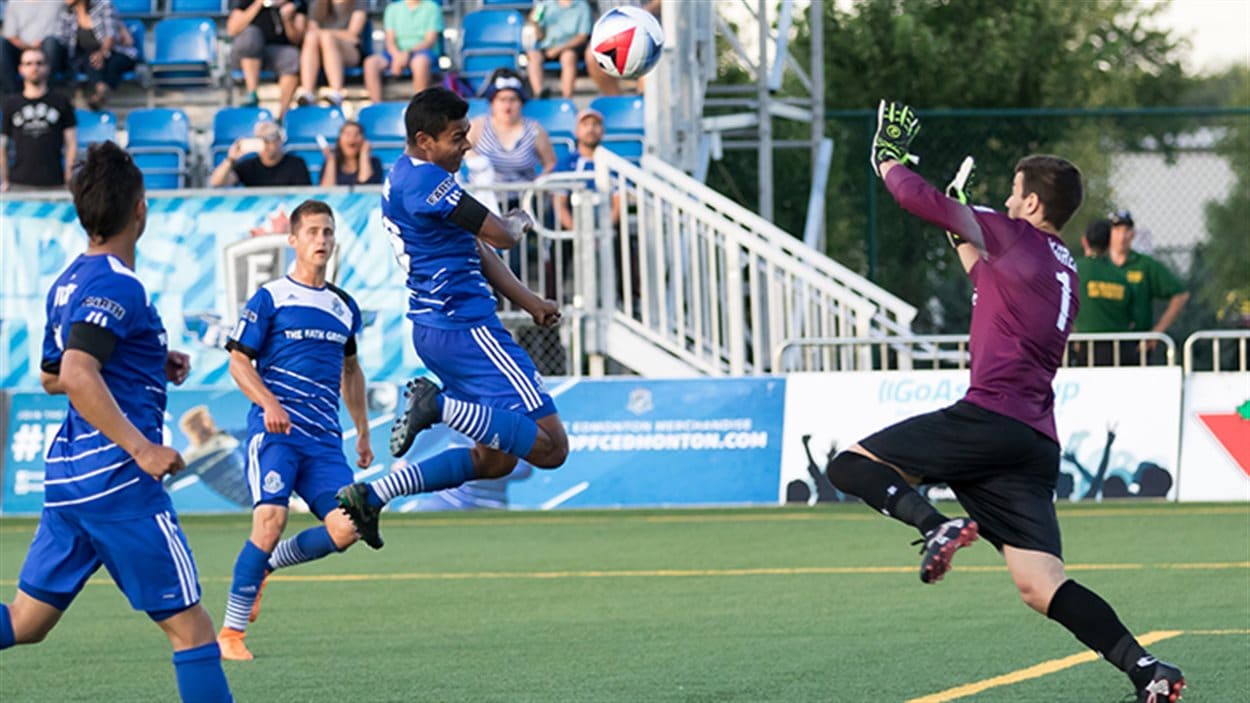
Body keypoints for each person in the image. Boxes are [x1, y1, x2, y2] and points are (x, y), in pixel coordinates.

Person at [821, 100, 1185, 703]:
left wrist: (888, 160)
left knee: (849, 465)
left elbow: (919, 199)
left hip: (989, 418)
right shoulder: (1060, 264)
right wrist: (960, 227)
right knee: (1042, 585)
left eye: (1016, 195)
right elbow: (984, 276)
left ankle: (936, 527)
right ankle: (1148, 670)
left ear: (1034, 205)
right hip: (1032, 441)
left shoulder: (1017, 234)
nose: (1010, 203)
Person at [0, 142, 234, 703]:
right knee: (194, 630)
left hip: (71, 481)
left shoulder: (68, 281)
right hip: (118, 482)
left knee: (27, 623)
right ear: (141, 211)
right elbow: (78, 373)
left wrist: (151, 358)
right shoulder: (118, 284)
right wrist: (141, 448)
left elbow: (52, 374)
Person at [334, 87, 569, 549]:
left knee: (496, 461)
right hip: (468, 329)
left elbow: (475, 248)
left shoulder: (403, 175)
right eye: (457, 137)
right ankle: (435, 406)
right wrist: (520, 220)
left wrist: (530, 302)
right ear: (425, 140)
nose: (467, 145)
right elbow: (500, 236)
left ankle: (375, 494)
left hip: (435, 330)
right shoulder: (428, 183)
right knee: (551, 448)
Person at [215, 199, 370, 661]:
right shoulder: (271, 297)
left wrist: (361, 430)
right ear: (294, 240)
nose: (321, 240)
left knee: (349, 527)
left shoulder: (345, 307)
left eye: (328, 232)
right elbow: (238, 361)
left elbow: (352, 371)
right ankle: (230, 633)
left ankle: (266, 567)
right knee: (270, 520)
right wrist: (268, 403)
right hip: (276, 433)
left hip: (324, 442)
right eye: (312, 232)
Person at [1107, 210, 1189, 361]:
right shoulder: (1099, 264)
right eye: (1117, 230)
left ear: (1132, 234)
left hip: (1137, 343)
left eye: (1126, 231)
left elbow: (1180, 294)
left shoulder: (1144, 265)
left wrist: (1157, 331)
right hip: (1102, 344)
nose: (1122, 236)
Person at [469, 69, 556, 204]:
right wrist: (474, 159)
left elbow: (550, 163)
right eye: (502, 100)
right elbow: (459, 148)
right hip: (486, 201)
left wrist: (538, 186)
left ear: (521, 103)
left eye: (513, 100)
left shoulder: (534, 129)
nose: (507, 105)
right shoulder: (478, 126)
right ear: (493, 103)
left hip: (524, 201)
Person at [0, 47, 77, 192]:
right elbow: (2, 146)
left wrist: (69, 177)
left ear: (47, 68)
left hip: (55, 183)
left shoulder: (61, 101)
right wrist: (4, 180)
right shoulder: (11, 104)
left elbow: (71, 143)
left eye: (39, 63)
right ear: (21, 69)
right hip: (18, 183)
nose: (34, 67)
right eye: (28, 63)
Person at [49, 0, 138, 110]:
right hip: (87, 56)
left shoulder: (103, 5)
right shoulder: (66, 12)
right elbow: (62, 38)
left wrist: (102, 53)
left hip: (116, 52)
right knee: (90, 58)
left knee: (112, 63)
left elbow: (111, 35)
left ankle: (102, 91)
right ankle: (102, 90)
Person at [1072, 218, 1138, 366]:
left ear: (1084, 241)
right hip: (1120, 352)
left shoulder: (1074, 269)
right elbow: (1134, 319)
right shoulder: (1121, 276)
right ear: (1109, 244)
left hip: (1085, 351)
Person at [227, 0, 306, 120]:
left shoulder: (295, 4)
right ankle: (252, 94)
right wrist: (259, 4)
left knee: (292, 56)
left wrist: (287, 19)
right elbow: (232, 29)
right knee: (251, 37)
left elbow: (296, 40)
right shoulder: (247, 2)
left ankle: (283, 115)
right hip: (245, 56)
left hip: (274, 53)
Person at [362, 0, 443, 104]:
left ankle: (420, 106)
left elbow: (430, 40)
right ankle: (376, 105)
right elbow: (389, 40)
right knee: (370, 63)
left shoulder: (432, 8)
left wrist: (407, 54)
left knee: (420, 63)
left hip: (423, 52)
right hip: (395, 53)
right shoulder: (392, 9)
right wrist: (397, 56)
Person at [296, 0, 366, 107]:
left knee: (327, 38)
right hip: (319, 49)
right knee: (311, 38)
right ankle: (307, 92)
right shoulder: (317, 3)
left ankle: (336, 91)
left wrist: (325, 33)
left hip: (350, 50)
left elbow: (352, 34)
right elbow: (312, 30)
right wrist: (322, 34)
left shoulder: (359, 3)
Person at [585, 0, 661, 96]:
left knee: (646, 48)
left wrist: (645, 11)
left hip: (643, 28)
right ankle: (616, 100)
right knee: (591, 55)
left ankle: (643, 98)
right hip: (609, 30)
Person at [210, 121, 312, 188]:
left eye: (273, 139)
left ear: (280, 140)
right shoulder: (248, 166)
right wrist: (230, 159)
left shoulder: (296, 164)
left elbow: (304, 195)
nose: (270, 145)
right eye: (264, 140)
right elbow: (216, 183)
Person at [525, 0, 592, 99]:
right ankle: (539, 94)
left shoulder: (582, 6)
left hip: (571, 47)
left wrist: (558, 49)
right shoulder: (545, 5)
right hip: (547, 47)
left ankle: (567, 98)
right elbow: (540, 36)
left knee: (568, 56)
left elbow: (583, 36)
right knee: (532, 56)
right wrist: (534, 24)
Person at [0, 0, 61, 97]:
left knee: (51, 42)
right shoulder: (14, 3)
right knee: (1, 44)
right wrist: (29, 47)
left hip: (49, 49)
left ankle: (46, 94)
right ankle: (12, 96)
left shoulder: (58, 2)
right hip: (21, 48)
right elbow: (10, 35)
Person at [319, 119, 382, 187]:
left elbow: (365, 188)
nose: (352, 138)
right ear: (339, 141)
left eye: (357, 134)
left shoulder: (374, 162)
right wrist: (331, 161)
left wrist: (364, 154)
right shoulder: (330, 162)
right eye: (348, 134)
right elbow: (326, 191)